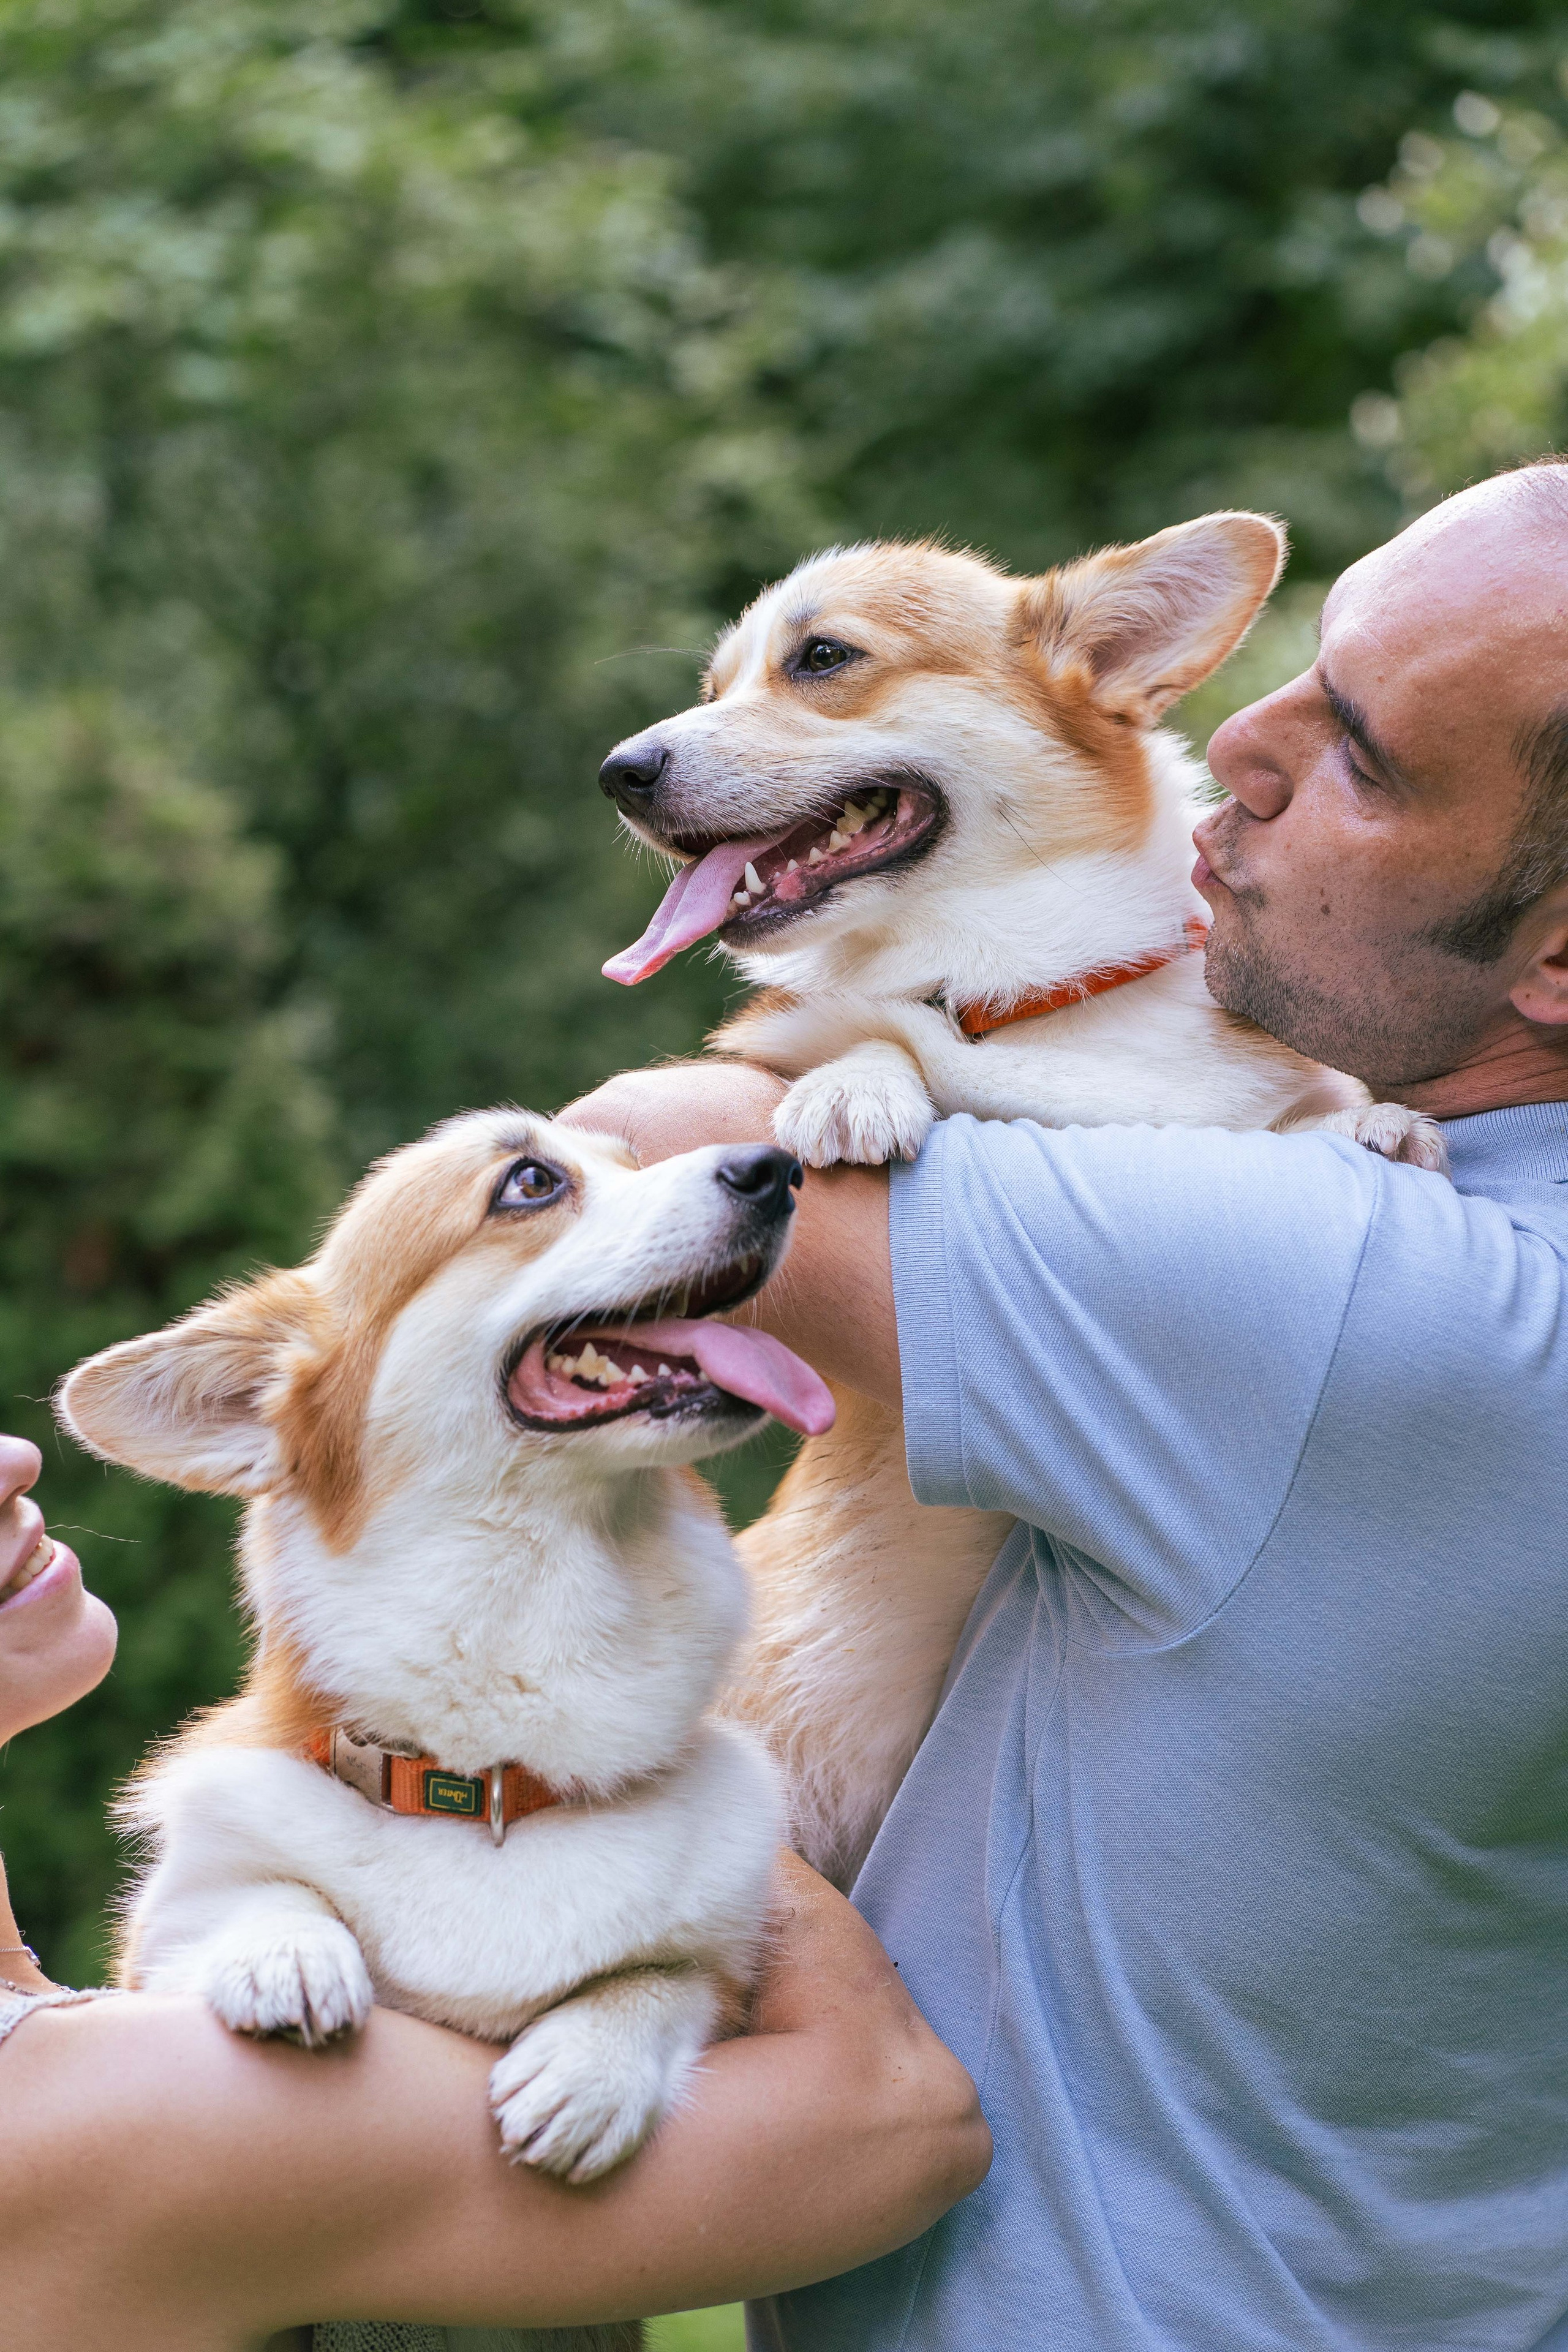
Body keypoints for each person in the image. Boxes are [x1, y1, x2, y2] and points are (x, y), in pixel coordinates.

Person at [565, 462, 1568, 2351]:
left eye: (1361, 754)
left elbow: (638, 1154)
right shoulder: (1420, 1211)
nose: (1234, 740)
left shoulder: (1353, 1294)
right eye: (1299, 676)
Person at [0, 1431, 990, 2350]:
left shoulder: (87, 2070)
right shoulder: (116, 2105)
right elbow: (901, 2113)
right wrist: (623, 1721)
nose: (12, 1459)